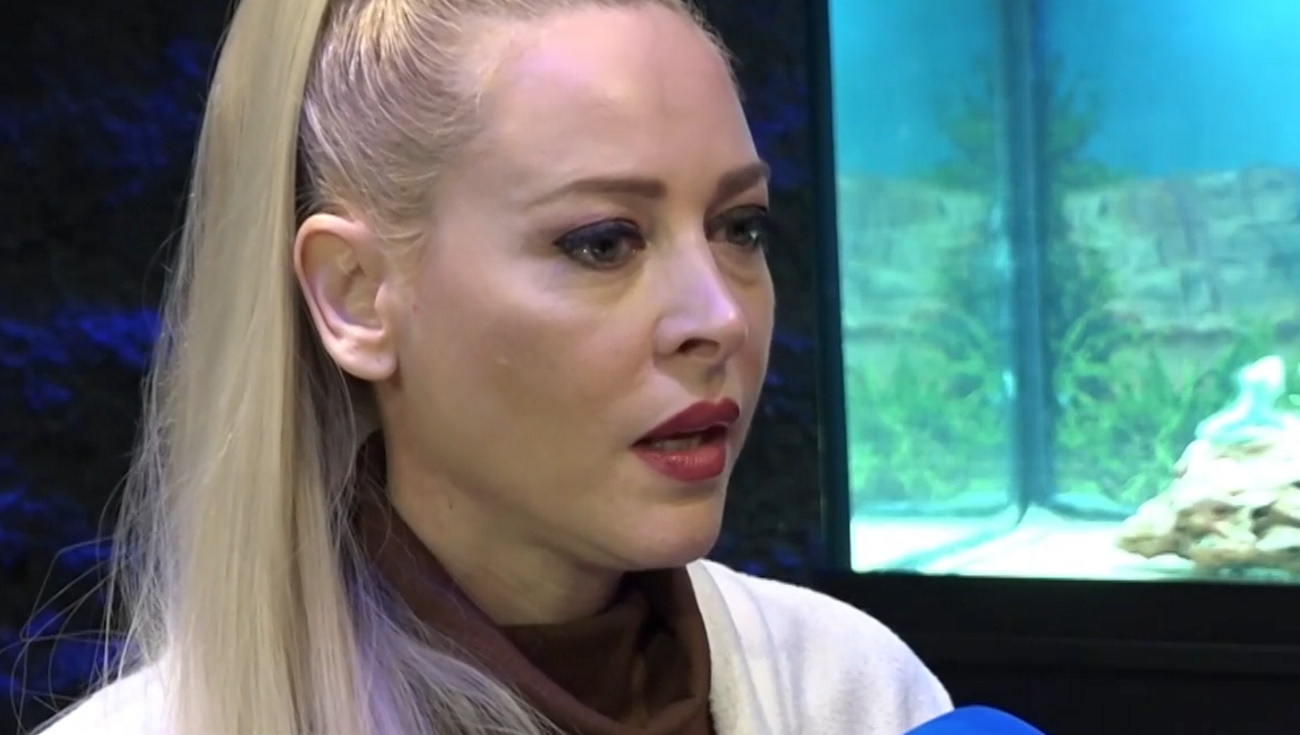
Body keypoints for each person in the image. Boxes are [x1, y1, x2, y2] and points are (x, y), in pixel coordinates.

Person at [38, 0, 952, 733]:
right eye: (603, 242)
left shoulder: (855, 692)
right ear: (355, 295)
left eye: (739, 227)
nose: (719, 317)